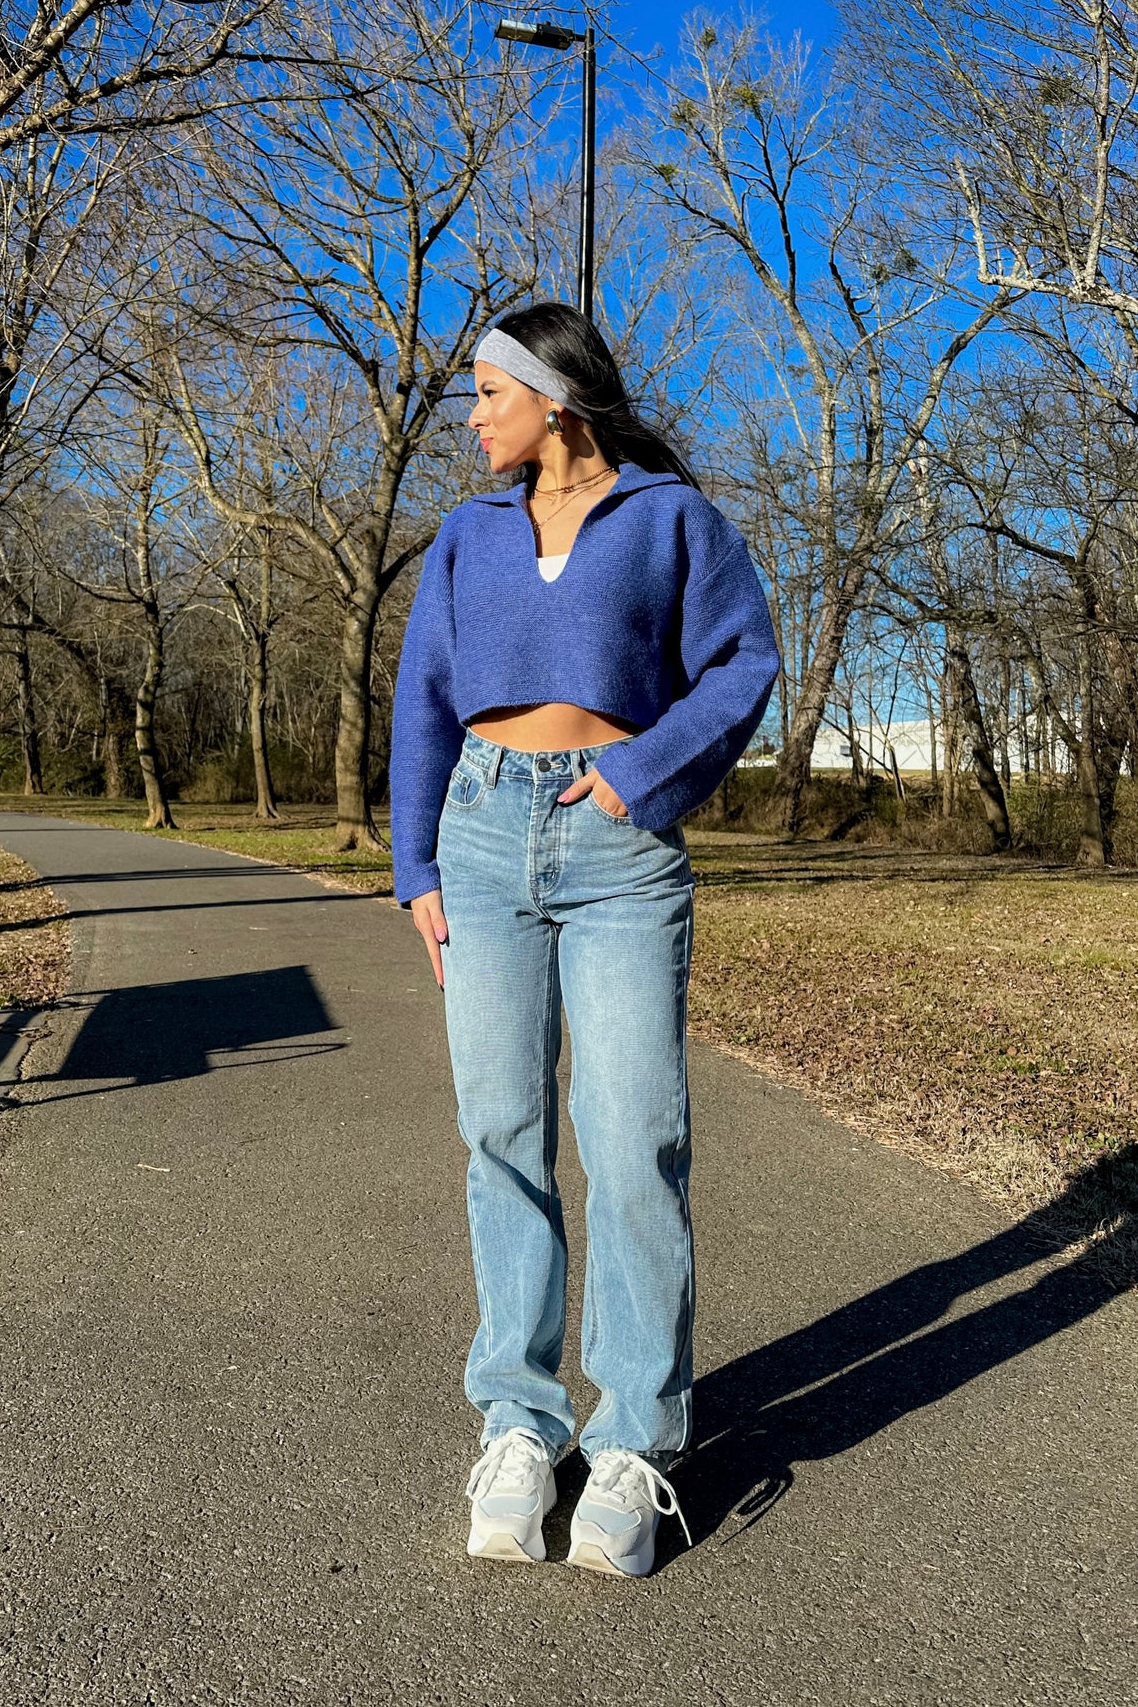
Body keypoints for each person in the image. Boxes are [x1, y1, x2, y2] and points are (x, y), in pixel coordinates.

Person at [389, 302, 778, 1578]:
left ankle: (635, 1444)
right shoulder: (463, 536)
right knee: (500, 1129)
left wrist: (639, 775)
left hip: (616, 847)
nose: (471, 417)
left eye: (487, 394)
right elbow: (425, 701)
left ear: (553, 399)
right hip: (483, 836)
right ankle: (517, 1419)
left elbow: (738, 665)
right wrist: (416, 864)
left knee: (631, 1137)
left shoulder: (670, 519)